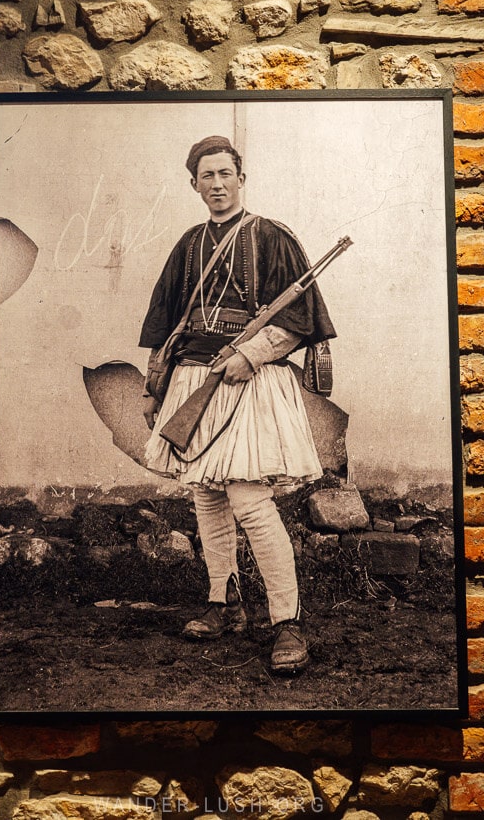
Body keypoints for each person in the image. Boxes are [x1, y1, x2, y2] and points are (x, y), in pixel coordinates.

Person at [139, 135, 336, 673]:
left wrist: (249, 355)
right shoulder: (188, 244)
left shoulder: (272, 237)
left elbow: (300, 319)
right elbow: (168, 325)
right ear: (195, 184)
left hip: (250, 381)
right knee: (206, 498)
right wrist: (156, 390)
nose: (218, 185)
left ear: (241, 178)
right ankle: (220, 605)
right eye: (207, 176)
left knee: (250, 502)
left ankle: (287, 624)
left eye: (226, 173)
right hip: (191, 380)